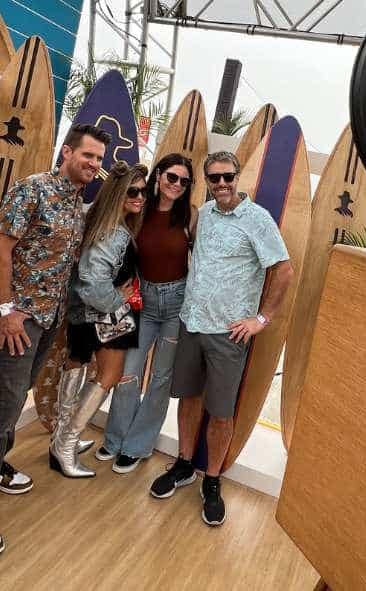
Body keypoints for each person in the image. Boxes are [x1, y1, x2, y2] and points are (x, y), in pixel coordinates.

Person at [0, 124, 108, 558]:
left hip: (47, 321)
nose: (93, 165)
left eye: (98, 159)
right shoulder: (32, 189)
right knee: (4, 409)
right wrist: (5, 312)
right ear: (67, 151)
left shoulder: (77, 206)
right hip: (18, 323)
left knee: (14, 400)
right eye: (88, 155)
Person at [148, 151, 294, 526]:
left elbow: (283, 270)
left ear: (238, 176)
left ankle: (211, 480)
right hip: (191, 323)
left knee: (222, 411)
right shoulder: (205, 216)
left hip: (228, 334)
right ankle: (183, 464)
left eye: (228, 177)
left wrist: (262, 318)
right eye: (214, 179)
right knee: (189, 398)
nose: (223, 184)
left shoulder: (257, 220)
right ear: (208, 182)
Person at [96, 153, 198, 474]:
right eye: (171, 177)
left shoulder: (190, 217)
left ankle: (137, 445)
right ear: (158, 176)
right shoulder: (140, 211)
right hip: (144, 301)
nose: (176, 185)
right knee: (128, 371)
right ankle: (115, 439)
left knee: (161, 379)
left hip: (177, 304)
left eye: (184, 181)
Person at [50, 160, 149, 479]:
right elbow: (94, 281)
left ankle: (61, 439)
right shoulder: (116, 232)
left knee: (78, 363)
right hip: (107, 311)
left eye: (143, 192)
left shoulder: (96, 219)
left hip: (85, 311)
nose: (139, 197)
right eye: (132, 191)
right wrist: (117, 299)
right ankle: (66, 444)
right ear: (116, 193)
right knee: (110, 375)